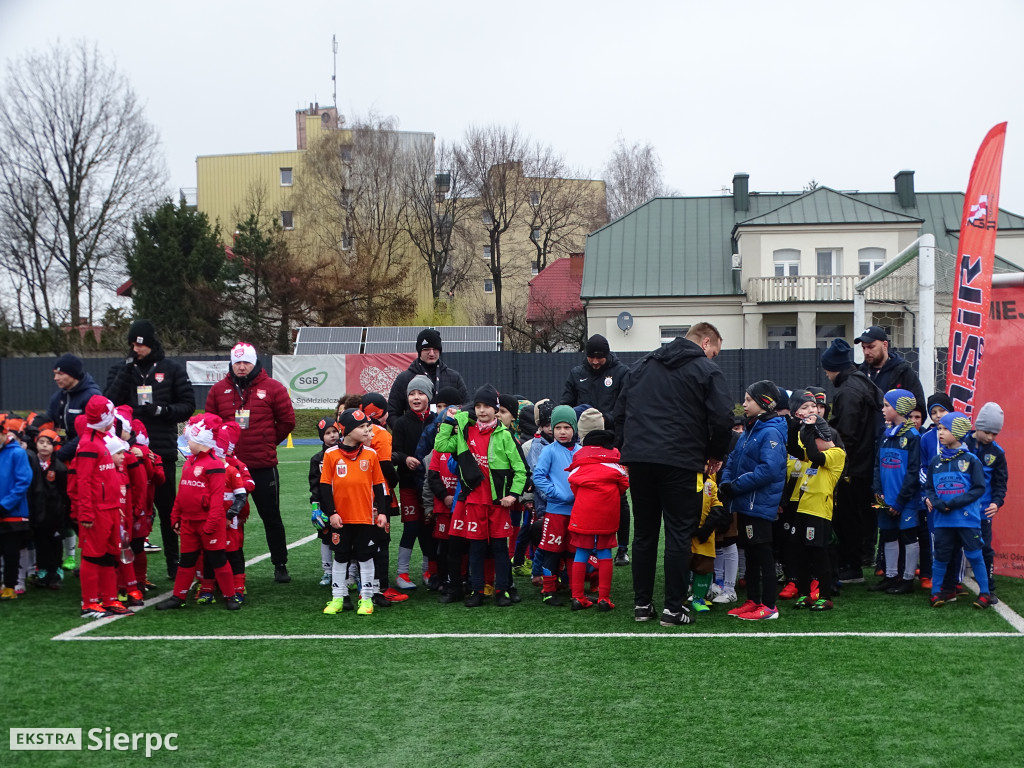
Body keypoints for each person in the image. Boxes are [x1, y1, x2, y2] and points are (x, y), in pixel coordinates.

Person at [614, 322, 734, 627]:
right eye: (715, 352)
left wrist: (626, 450)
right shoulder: (705, 370)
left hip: (640, 459)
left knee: (644, 533)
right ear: (706, 343)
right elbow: (722, 417)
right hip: (681, 461)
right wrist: (716, 454)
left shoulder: (641, 366)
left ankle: (642, 605)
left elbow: (619, 412)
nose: (714, 358)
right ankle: (673, 607)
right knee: (679, 533)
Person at [105, 319, 195, 580]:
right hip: (128, 450)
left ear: (151, 344)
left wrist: (162, 410)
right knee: (129, 509)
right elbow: (108, 401)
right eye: (132, 344)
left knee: (168, 509)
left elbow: (187, 405)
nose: (136, 349)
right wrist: (126, 371)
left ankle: (173, 561)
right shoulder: (122, 369)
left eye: (141, 344)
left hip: (161, 448)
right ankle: (126, 566)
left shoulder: (171, 369)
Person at [204, 342, 295, 583]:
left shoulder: (274, 388)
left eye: (246, 362)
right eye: (237, 362)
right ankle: (232, 566)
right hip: (229, 468)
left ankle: (280, 563)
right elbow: (210, 424)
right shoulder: (217, 390)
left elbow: (287, 421)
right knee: (229, 517)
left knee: (271, 516)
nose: (242, 367)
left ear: (255, 363)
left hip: (262, 465)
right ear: (231, 364)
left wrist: (267, 443)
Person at [434, 384, 527, 607]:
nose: (482, 410)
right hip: (474, 502)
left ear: (496, 409)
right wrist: (449, 421)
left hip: (498, 504)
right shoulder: (466, 432)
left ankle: (502, 591)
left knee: (499, 549)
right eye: (478, 406)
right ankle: (477, 591)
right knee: (475, 549)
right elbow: (441, 444)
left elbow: (520, 470)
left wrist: (513, 495)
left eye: (487, 406)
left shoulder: (505, 435)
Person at [156, 413, 241, 611]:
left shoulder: (214, 465)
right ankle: (178, 597)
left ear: (200, 441)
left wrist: (212, 523)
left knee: (219, 559)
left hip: (208, 524)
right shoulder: (189, 462)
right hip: (188, 522)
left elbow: (217, 498)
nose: (187, 443)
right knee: (186, 561)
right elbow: (182, 493)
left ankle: (230, 596)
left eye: (190, 440)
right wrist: (175, 516)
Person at [719, 380, 787, 621]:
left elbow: (768, 470)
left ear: (764, 403)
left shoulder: (770, 432)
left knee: (763, 554)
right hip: (746, 502)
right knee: (752, 555)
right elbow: (733, 460)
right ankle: (753, 600)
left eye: (749, 400)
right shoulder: (750, 429)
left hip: (758, 504)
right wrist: (726, 483)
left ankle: (768, 606)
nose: (744, 404)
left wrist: (734, 486)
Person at [562, 335, 632, 567]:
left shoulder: (621, 373)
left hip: (614, 442)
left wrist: (605, 419)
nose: (595, 361)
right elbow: (567, 405)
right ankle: (585, 546)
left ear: (607, 354)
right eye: (591, 357)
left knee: (618, 497)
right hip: (585, 444)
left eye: (599, 357)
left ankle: (622, 548)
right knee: (585, 494)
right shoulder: (576, 373)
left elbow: (627, 406)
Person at [820, 338, 883, 584]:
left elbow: (847, 435)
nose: (826, 375)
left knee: (848, 517)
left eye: (827, 370)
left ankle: (851, 565)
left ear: (834, 367)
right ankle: (855, 562)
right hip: (866, 463)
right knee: (858, 517)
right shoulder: (862, 382)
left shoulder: (847, 392)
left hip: (853, 467)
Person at [317, 408, 389, 617]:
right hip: (341, 518)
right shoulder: (330, 455)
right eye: (362, 427)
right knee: (340, 556)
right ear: (347, 431)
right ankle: (338, 597)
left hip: (365, 518)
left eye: (368, 426)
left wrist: (382, 513)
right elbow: (324, 487)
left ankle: (366, 598)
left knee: (366, 557)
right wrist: (331, 513)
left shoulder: (371, 454)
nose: (368, 431)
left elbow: (379, 486)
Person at [924, 412, 993, 608]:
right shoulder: (935, 461)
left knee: (974, 554)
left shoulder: (971, 460)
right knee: (941, 556)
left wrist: (953, 503)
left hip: (966, 519)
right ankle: (936, 592)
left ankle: (985, 593)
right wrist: (936, 502)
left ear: (959, 432)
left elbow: (979, 488)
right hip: (942, 519)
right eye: (939, 429)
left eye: (945, 429)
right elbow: (929, 487)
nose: (941, 433)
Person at [566, 429, 629, 611]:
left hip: (583, 511)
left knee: (581, 551)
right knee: (604, 552)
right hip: (607, 512)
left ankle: (577, 597)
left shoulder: (579, 461)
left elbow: (572, 483)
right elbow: (624, 484)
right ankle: (604, 598)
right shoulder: (614, 463)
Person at [789, 416, 845, 611]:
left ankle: (825, 595)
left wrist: (810, 429)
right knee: (801, 553)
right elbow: (793, 449)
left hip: (819, 512)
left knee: (819, 554)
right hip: (802, 508)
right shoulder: (813, 452)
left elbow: (814, 455)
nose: (808, 445)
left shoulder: (836, 453)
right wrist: (794, 426)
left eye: (811, 440)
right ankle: (804, 594)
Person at [870, 389, 921, 595]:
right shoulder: (885, 434)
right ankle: (891, 576)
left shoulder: (912, 436)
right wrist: (878, 492)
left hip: (905, 501)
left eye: (886, 405)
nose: (883, 410)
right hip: (884, 498)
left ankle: (907, 579)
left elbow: (913, 471)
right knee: (888, 535)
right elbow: (876, 466)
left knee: (909, 537)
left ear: (899, 409)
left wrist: (900, 502)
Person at [532, 405, 582, 607]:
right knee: (552, 551)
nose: (562, 432)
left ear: (574, 429)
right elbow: (538, 476)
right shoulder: (549, 451)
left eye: (567, 427)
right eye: (558, 427)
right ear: (552, 428)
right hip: (555, 512)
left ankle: (574, 588)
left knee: (573, 551)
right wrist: (557, 494)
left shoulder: (581, 452)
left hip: (577, 513)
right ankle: (548, 590)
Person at [391, 375, 437, 590]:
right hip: (409, 484)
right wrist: (404, 458)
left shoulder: (437, 421)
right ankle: (402, 573)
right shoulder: (401, 423)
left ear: (428, 396)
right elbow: (394, 452)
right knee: (411, 527)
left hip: (431, 485)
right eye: (412, 394)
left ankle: (429, 571)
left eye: (420, 393)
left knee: (429, 527)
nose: (416, 398)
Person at [963, 402, 1006, 596]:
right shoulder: (961, 442)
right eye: (987, 431)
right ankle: (950, 585)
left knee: (985, 549)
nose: (990, 437)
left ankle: (988, 587)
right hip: (960, 508)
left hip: (982, 510)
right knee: (953, 546)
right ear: (978, 425)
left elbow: (1000, 484)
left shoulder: (997, 453)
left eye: (994, 434)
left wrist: (996, 503)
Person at [387, 328, 469, 423]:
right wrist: (406, 432)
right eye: (427, 349)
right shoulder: (404, 378)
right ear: (419, 351)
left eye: (435, 349)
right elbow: (392, 413)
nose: (431, 353)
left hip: (447, 434)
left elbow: (467, 408)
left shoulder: (454, 377)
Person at [41, 353, 102, 462]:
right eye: (55, 374)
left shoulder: (92, 397)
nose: (56, 378)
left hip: (85, 455)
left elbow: (89, 433)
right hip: (60, 450)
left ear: (73, 374)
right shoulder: (57, 397)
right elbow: (48, 421)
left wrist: (60, 455)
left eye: (60, 374)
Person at [0, 413, 33, 601]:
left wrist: (5, 505)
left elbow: (23, 481)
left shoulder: (17, 453)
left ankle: (11, 585)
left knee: (11, 551)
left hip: (13, 513)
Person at [855, 326, 925, 413]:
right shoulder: (860, 373)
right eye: (864, 347)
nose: (866, 352)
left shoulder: (903, 372)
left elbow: (919, 408)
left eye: (871, 347)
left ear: (885, 345)